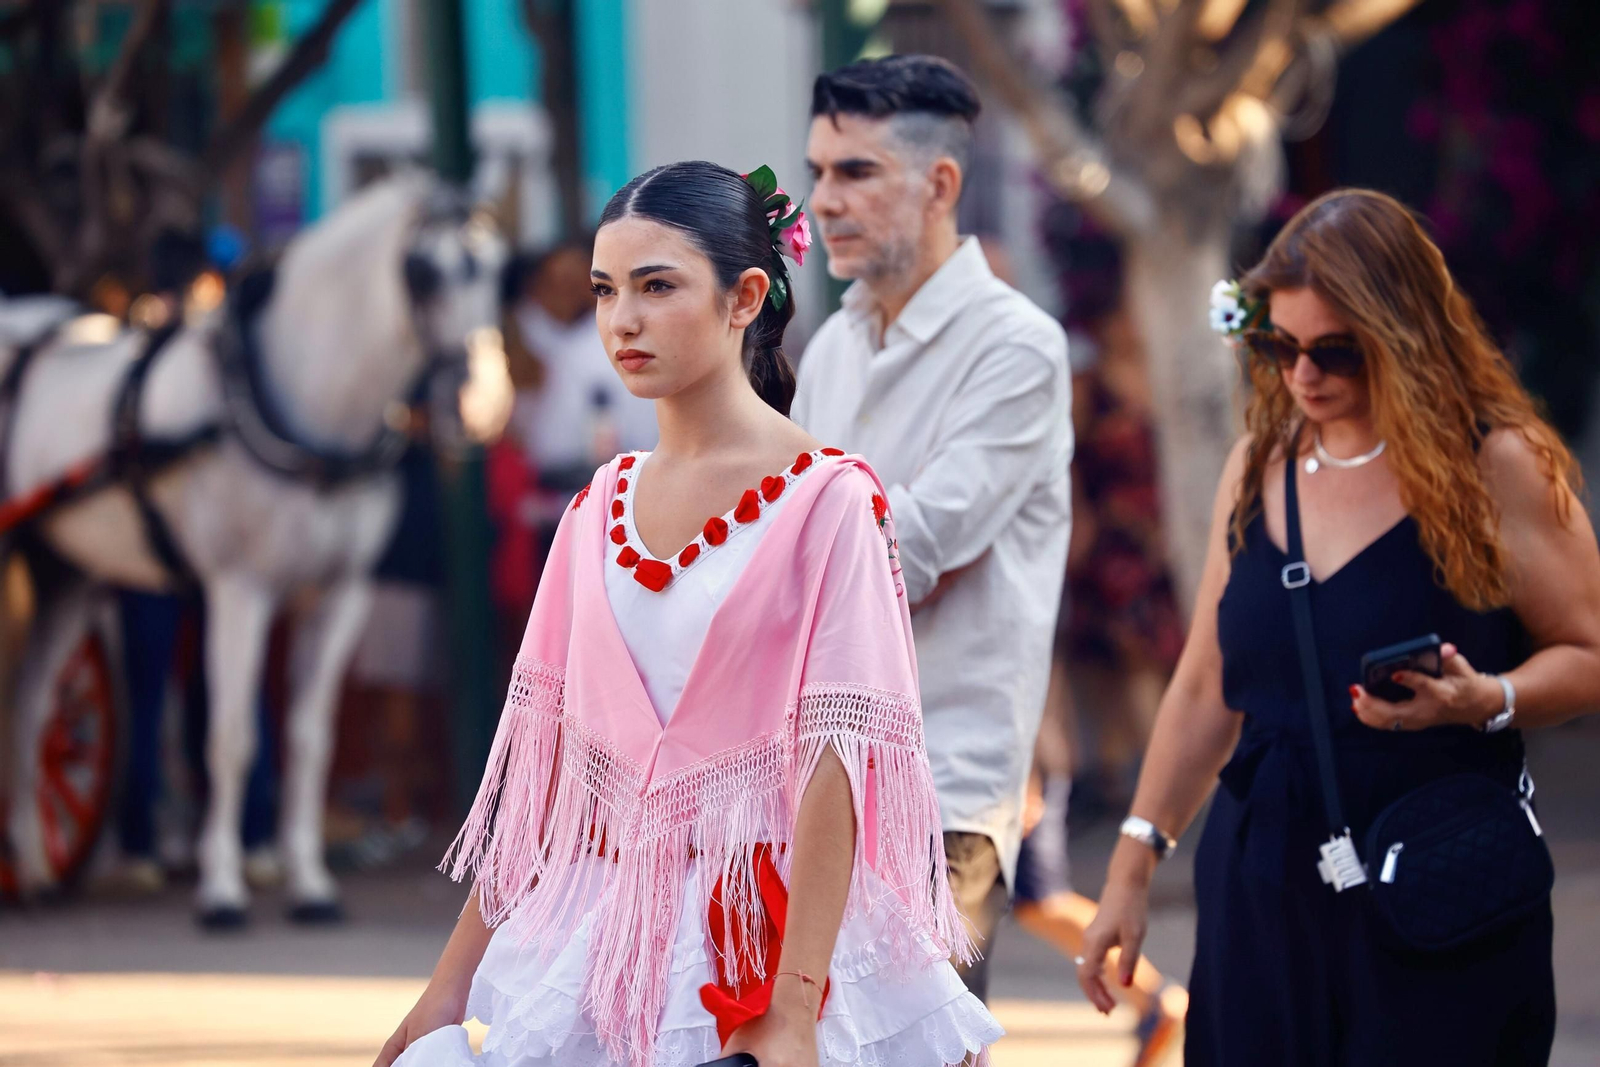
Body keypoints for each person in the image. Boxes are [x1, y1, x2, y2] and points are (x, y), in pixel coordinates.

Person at [374, 159, 1001, 1067]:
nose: (621, 319)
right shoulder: (596, 508)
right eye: (604, 290)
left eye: (657, 286)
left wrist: (794, 1004)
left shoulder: (830, 502)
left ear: (746, 295)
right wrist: (447, 987)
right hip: (599, 941)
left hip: (773, 937)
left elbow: (840, 766)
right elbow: (547, 780)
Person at [1077, 188, 1600, 1065]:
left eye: (1334, 352)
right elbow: (1207, 684)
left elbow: (1589, 652)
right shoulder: (1257, 469)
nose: (1302, 375)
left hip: (1440, 878)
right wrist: (1130, 869)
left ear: (1403, 340)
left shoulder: (1494, 464)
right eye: (1279, 345)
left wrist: (1488, 698)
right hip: (1264, 884)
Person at [790, 55, 1073, 1003]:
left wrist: (785, 537)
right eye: (819, 170)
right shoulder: (832, 345)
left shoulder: (1016, 347)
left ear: (940, 183)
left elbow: (904, 555)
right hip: (806, 782)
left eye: (856, 171)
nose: (824, 199)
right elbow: (832, 542)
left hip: (939, 789)